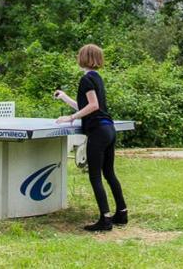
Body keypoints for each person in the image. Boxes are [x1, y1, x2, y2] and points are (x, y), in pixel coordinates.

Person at [55, 43, 126, 232]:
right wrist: (64, 97)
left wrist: (70, 118)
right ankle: (122, 213)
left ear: (83, 58)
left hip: (98, 132)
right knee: (109, 173)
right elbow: (85, 106)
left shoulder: (86, 80)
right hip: (108, 129)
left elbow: (93, 106)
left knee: (95, 176)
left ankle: (105, 220)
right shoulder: (96, 78)